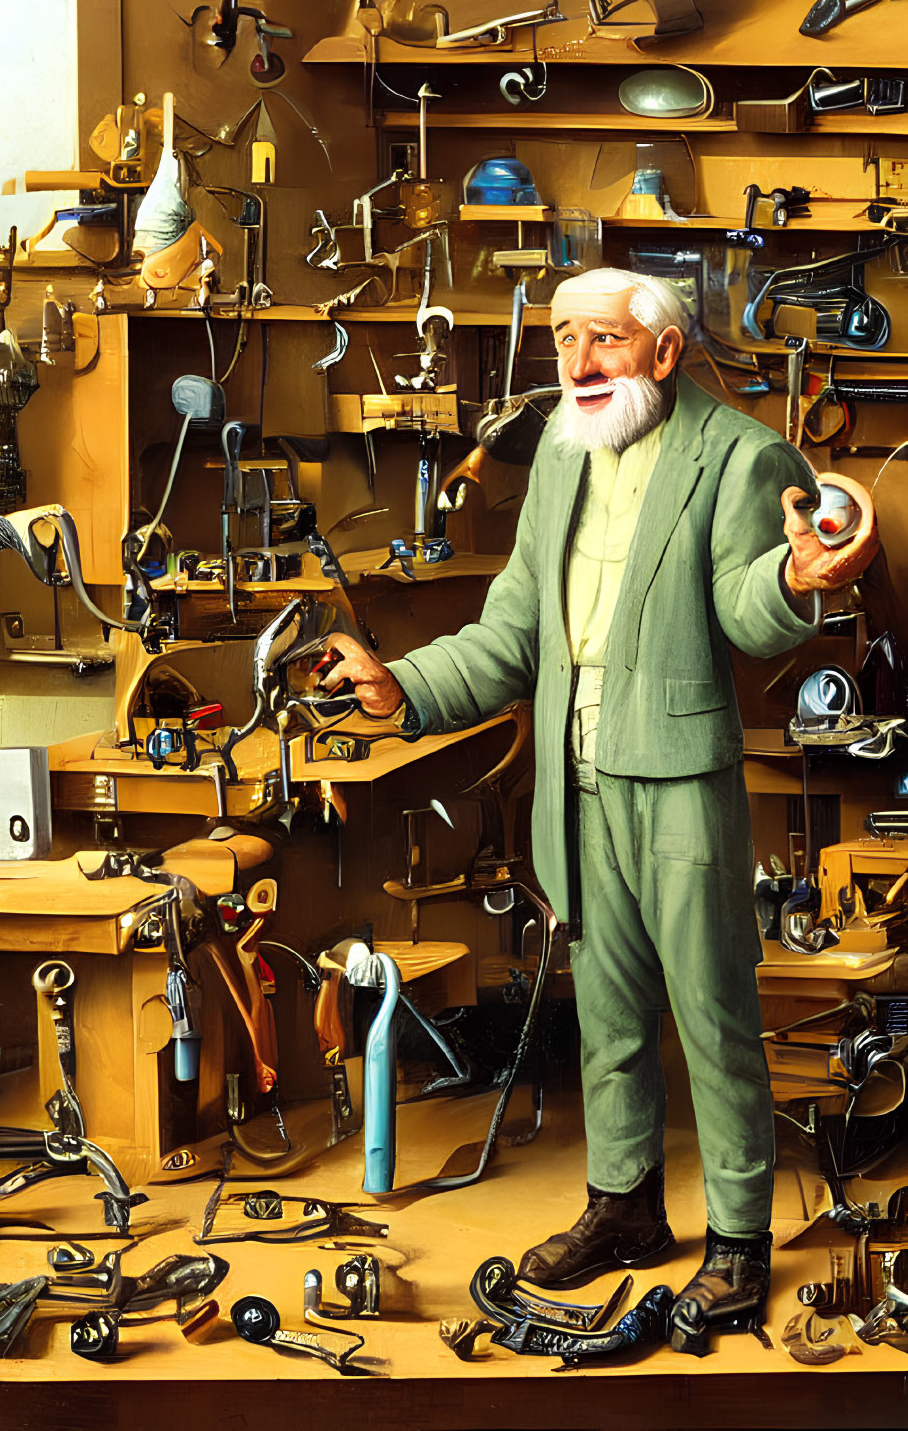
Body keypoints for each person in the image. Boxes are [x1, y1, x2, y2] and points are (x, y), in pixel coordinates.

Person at [322, 267, 879, 1355]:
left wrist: (800, 580)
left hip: (677, 776)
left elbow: (743, 606)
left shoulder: (739, 453)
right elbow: (513, 632)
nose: (577, 366)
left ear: (664, 354)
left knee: (715, 1019)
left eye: (604, 343)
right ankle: (624, 1206)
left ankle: (738, 1239)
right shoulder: (564, 462)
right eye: (566, 341)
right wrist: (404, 685)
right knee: (608, 1016)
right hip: (575, 778)